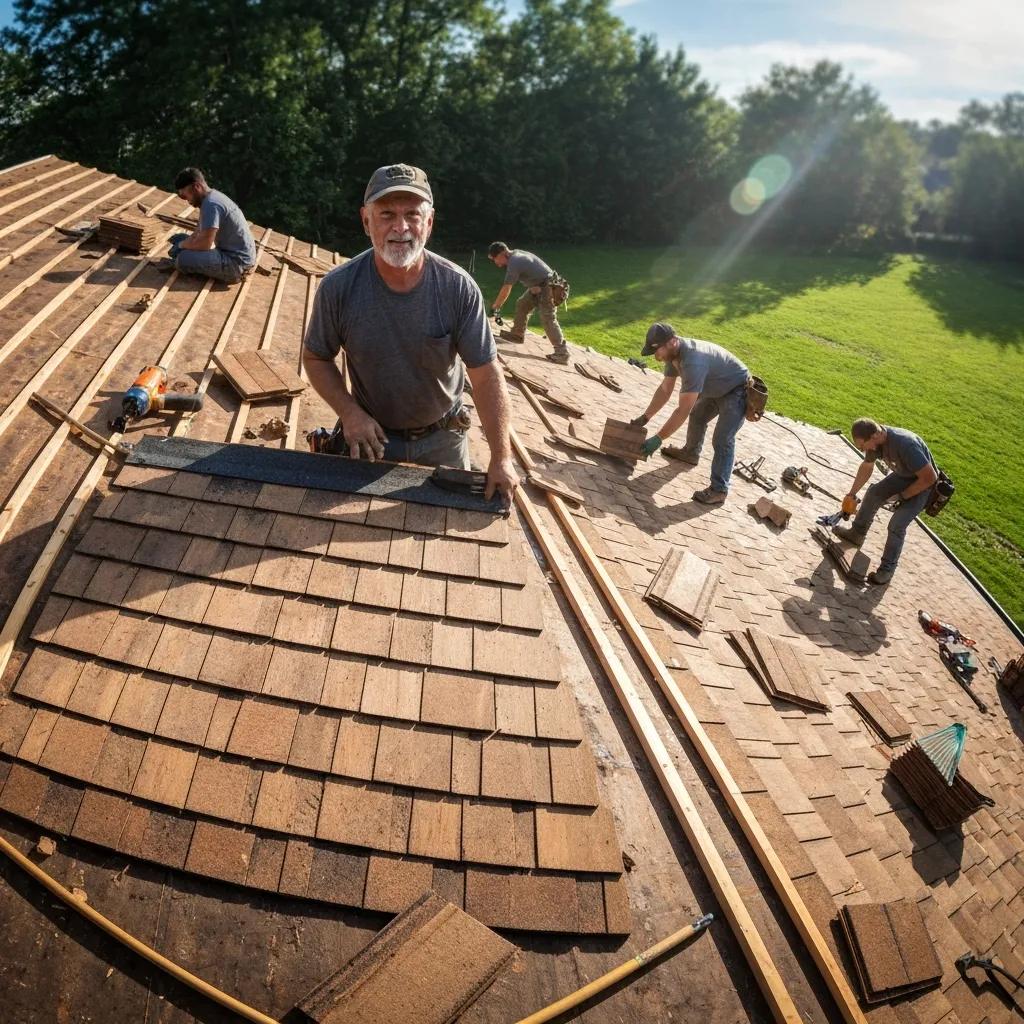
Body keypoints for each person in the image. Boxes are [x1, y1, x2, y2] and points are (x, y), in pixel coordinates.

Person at [302, 163, 518, 503]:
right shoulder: (338, 288)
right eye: (386, 214)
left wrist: (502, 457)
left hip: (443, 438)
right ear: (366, 220)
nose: (400, 227)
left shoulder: (457, 288)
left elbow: (487, 374)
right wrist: (349, 412)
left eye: (413, 215)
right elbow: (316, 356)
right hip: (370, 436)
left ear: (428, 223)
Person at [630, 322, 750, 505]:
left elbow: (682, 410)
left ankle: (719, 490)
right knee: (698, 416)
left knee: (722, 438)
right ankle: (691, 453)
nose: (657, 357)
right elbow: (665, 390)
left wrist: (658, 438)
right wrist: (645, 417)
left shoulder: (693, 362)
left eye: (657, 351)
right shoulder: (673, 356)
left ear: (671, 342)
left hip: (736, 390)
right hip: (717, 386)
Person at [833, 418, 938, 584]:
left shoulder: (907, 445)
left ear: (875, 435)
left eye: (862, 445)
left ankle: (887, 570)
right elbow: (867, 466)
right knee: (874, 493)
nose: (862, 449)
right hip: (904, 475)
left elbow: (930, 477)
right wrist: (851, 494)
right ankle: (857, 534)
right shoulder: (875, 443)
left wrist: (902, 496)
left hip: (924, 485)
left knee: (897, 524)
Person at [169, 167, 256, 284]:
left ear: (196, 187)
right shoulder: (210, 198)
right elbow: (198, 233)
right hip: (234, 256)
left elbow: (205, 244)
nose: (187, 201)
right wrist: (182, 243)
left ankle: (232, 275)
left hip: (235, 264)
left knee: (183, 259)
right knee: (179, 238)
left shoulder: (211, 205)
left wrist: (181, 246)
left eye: (185, 196)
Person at [487, 241, 569, 364]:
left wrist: (496, 306)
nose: (496, 263)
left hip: (549, 287)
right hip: (539, 285)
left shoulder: (515, 262)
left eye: (496, 259)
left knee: (547, 318)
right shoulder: (515, 255)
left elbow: (507, 288)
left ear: (503, 253)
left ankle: (562, 353)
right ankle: (517, 334)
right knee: (522, 304)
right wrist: (533, 285)